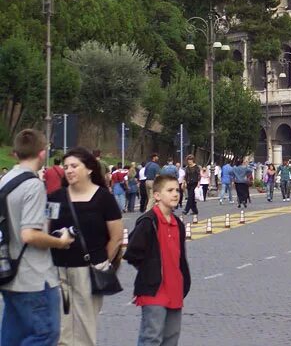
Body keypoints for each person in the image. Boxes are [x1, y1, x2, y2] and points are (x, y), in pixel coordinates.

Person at [0, 129, 74, 346]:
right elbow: (30, 234)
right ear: (43, 153)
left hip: (9, 271)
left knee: (12, 336)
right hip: (34, 275)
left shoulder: (5, 181)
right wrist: (59, 242)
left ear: (15, 153)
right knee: (46, 333)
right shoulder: (32, 185)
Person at [48, 147, 124, 345]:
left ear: (89, 168)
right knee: (61, 330)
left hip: (89, 270)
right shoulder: (55, 197)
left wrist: (101, 263)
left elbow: (116, 237)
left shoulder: (103, 198)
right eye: (66, 167)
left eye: (74, 166)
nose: (69, 170)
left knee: (84, 328)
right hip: (58, 271)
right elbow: (45, 229)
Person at [124, 174, 191, 346]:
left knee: (171, 338)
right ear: (157, 196)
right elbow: (132, 252)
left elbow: (180, 257)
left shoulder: (178, 224)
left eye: (177, 190)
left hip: (175, 288)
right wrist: (150, 270)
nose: (176, 194)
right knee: (151, 338)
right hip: (154, 290)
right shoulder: (148, 221)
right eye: (170, 190)